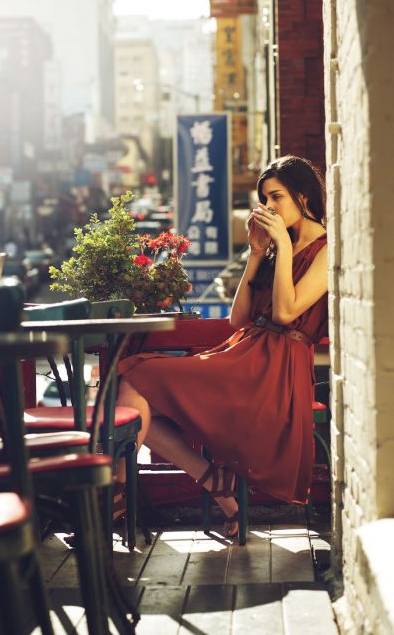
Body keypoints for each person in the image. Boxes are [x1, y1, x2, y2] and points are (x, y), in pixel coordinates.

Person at [116, 155, 328, 537]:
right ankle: (209, 480)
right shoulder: (278, 248)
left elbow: (285, 313)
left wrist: (280, 241)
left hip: (277, 369)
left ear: (304, 198)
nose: (268, 208)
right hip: (243, 352)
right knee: (136, 381)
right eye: (264, 199)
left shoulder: (327, 250)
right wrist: (259, 252)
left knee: (136, 375)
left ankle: (112, 499)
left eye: (276, 197)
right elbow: (238, 319)